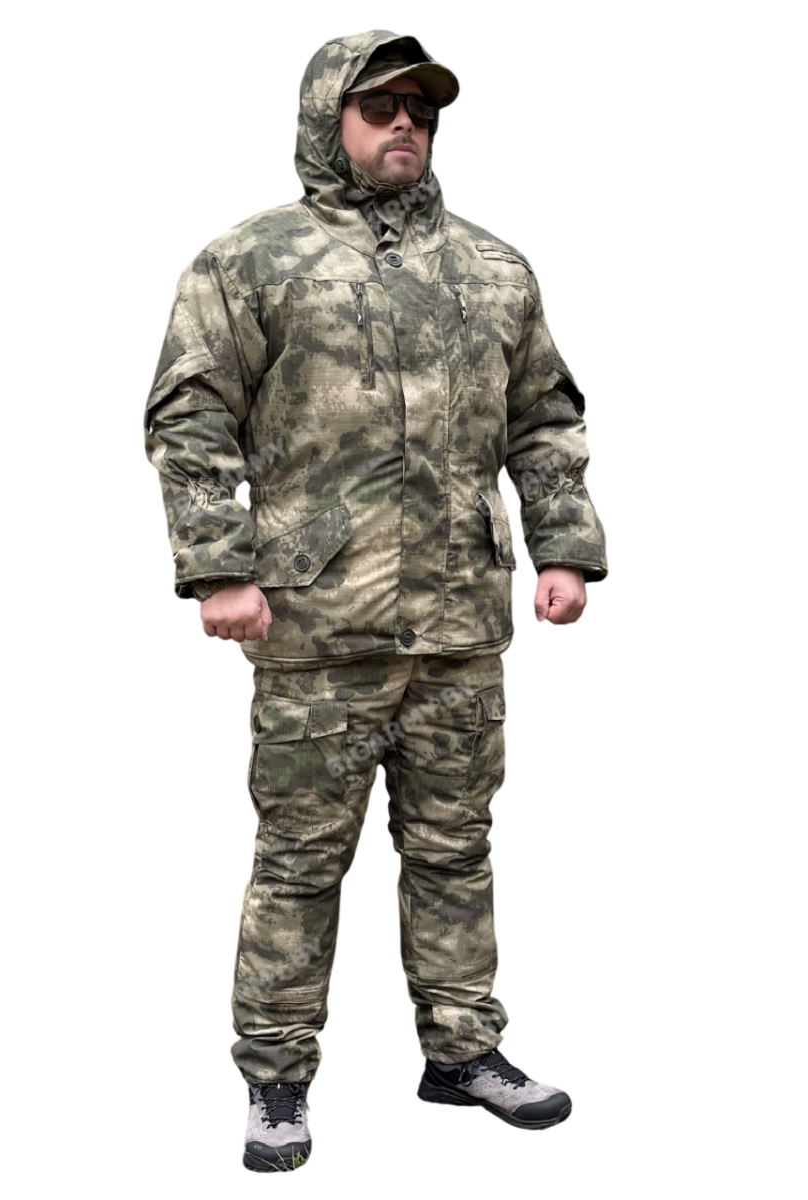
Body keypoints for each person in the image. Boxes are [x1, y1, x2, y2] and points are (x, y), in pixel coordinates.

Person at [143, 29, 608, 1173]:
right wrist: (218, 567)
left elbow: (545, 421)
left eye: (422, 111)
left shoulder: (496, 270)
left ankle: (462, 1049)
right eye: (380, 106)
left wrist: (563, 549)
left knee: (457, 850)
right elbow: (188, 417)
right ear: (326, 117)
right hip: (316, 625)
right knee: (300, 861)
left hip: (461, 625)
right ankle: (277, 1079)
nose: (406, 125)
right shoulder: (251, 259)